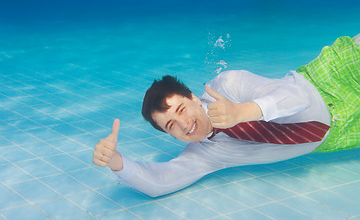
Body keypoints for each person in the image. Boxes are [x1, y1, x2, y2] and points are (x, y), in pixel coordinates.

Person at [93, 34, 360, 197]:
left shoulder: (228, 86)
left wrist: (244, 111)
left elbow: (298, 96)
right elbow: (160, 181)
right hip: (337, 135)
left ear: (194, 98)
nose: (184, 124)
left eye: (181, 110)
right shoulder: (204, 154)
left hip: (331, 81)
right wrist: (116, 162)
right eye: (171, 125)